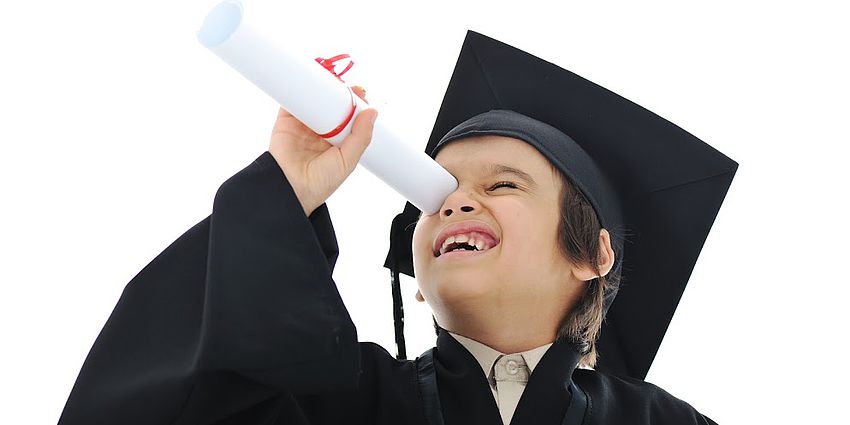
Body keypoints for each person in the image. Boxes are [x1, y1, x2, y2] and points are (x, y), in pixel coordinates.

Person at [58, 31, 736, 425]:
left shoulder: (662, 423)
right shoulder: (340, 402)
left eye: (501, 184)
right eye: (435, 195)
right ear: (418, 283)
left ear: (592, 253)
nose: (454, 202)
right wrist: (285, 193)